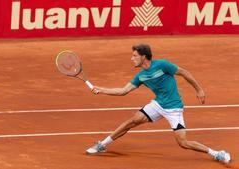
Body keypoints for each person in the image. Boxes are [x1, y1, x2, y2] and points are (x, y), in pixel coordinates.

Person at [85, 44, 231, 164]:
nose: (132, 59)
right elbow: (123, 91)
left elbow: (184, 72)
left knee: (183, 142)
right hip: (158, 104)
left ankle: (216, 153)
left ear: (143, 56)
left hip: (174, 108)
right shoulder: (140, 76)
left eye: (134, 56)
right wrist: (102, 89)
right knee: (132, 121)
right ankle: (102, 144)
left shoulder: (162, 65)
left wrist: (199, 89)